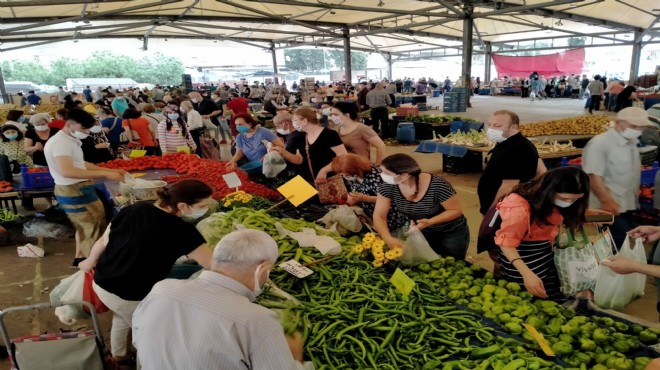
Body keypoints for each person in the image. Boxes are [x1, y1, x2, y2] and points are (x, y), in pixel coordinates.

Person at [78, 179, 214, 364]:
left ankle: (119, 356)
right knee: (148, 333)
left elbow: (104, 241)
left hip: (103, 280)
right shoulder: (183, 231)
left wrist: (91, 260)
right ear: (182, 205)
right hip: (129, 293)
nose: (205, 209)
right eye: (202, 205)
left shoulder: (134, 208)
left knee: (122, 316)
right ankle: (146, 362)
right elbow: (212, 265)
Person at [132, 229, 304, 370]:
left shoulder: (162, 289)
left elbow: (138, 338)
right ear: (262, 268)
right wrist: (295, 358)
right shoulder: (258, 320)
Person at [44, 109, 125, 264]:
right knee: (90, 227)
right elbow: (67, 171)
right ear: (69, 124)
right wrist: (105, 175)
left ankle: (80, 257)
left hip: (79, 189)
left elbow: (81, 164)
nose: (86, 132)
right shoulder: (60, 143)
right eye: (83, 129)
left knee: (86, 224)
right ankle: (92, 263)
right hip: (73, 190)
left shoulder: (69, 140)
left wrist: (109, 170)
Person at [495, 167, 590, 299]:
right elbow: (506, 244)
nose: (569, 203)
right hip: (519, 254)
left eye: (574, 200)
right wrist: (526, 274)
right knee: (526, 294)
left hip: (544, 249)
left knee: (547, 290)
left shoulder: (553, 200)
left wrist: (589, 216)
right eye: (564, 198)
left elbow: (560, 214)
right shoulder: (519, 206)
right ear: (550, 190)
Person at [373, 153, 470, 260]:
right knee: (427, 261)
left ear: (405, 175)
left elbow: (455, 210)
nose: (381, 175)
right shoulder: (387, 186)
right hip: (421, 231)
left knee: (454, 262)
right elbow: (379, 215)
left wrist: (430, 221)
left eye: (386, 172)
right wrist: (387, 238)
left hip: (451, 231)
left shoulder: (437, 185)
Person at [582, 107, 653, 247]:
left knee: (622, 240)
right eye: (634, 126)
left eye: (641, 127)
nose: (638, 130)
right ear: (619, 122)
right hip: (605, 207)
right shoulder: (600, 143)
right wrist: (606, 201)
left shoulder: (631, 142)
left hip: (626, 204)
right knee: (609, 241)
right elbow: (592, 175)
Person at [478, 110, 546, 215]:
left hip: (503, 209)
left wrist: (492, 212)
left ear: (513, 127)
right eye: (489, 124)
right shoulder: (509, 142)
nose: (491, 129)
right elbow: (542, 170)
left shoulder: (517, 149)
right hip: (500, 204)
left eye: (497, 126)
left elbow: (509, 186)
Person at [332, 154, 407, 230]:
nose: (346, 177)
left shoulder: (378, 176)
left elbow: (391, 199)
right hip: (373, 215)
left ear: (357, 169)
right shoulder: (353, 177)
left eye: (348, 174)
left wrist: (365, 198)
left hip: (390, 216)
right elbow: (357, 191)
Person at [273, 107, 347, 184]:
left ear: (304, 121)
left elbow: (343, 156)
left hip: (330, 180)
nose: (293, 123)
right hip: (309, 181)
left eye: (295, 120)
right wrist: (283, 152)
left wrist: (324, 171)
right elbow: (299, 159)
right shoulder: (302, 136)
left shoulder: (329, 134)